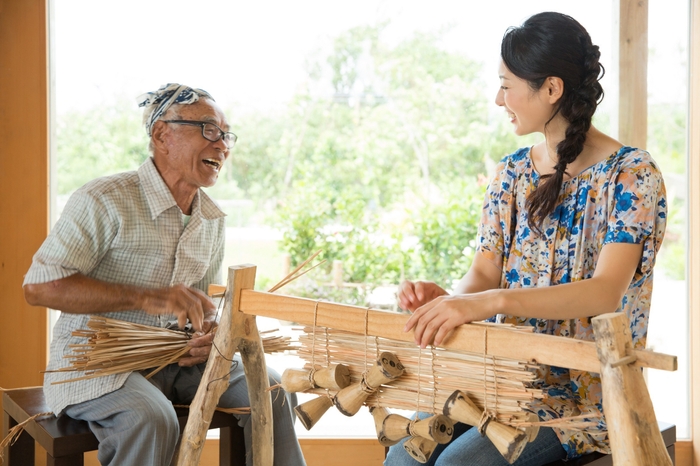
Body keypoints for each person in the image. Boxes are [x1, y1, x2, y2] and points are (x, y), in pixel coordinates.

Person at [386, 12, 667, 466]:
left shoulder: (631, 174)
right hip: (497, 378)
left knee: (456, 465)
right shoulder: (512, 172)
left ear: (551, 89)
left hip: (580, 400)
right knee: (406, 453)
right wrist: (450, 301)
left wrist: (492, 302)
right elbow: (484, 272)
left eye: (506, 84)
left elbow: (604, 291)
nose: (499, 99)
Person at [23, 83, 306, 466]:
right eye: (208, 130)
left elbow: (203, 307)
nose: (222, 145)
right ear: (161, 134)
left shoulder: (210, 218)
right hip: (95, 364)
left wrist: (208, 334)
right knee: (152, 417)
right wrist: (145, 296)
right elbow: (39, 288)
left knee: (273, 390)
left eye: (225, 135)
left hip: (178, 359)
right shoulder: (103, 198)